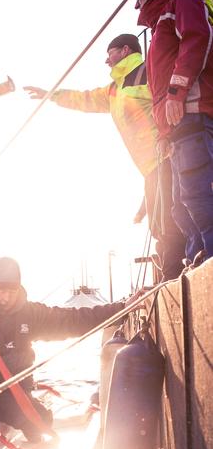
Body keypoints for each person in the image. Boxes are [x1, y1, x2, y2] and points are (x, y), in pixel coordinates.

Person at [25, 33, 185, 280]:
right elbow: (85, 99)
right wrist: (52, 95)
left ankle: (175, 274)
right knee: (158, 224)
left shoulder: (148, 73)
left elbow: (172, 101)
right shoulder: (114, 89)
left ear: (124, 50)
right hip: (149, 168)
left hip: (168, 156)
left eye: (110, 54)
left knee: (167, 222)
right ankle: (172, 273)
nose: (106, 61)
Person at [0, 257, 134, 442]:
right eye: (0, 290)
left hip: (14, 387)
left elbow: (72, 319)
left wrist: (122, 308)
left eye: (11, 291)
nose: (6, 297)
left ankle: (20, 413)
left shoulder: (30, 313)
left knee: (42, 422)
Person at [136, 0, 213, 264]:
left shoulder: (182, 0)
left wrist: (177, 91)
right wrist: (164, 133)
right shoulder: (158, 27)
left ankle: (210, 255)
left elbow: (199, 37)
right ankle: (198, 254)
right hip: (177, 127)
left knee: (198, 194)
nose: (136, 1)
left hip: (192, 114)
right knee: (180, 205)